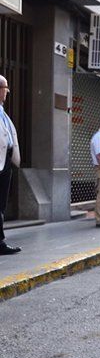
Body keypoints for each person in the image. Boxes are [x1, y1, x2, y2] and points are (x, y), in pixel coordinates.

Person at [0, 75, 22, 254]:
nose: (7, 92)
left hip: (5, 161)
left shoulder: (2, 111)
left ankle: (0, 242)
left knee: (1, 204)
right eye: (5, 88)